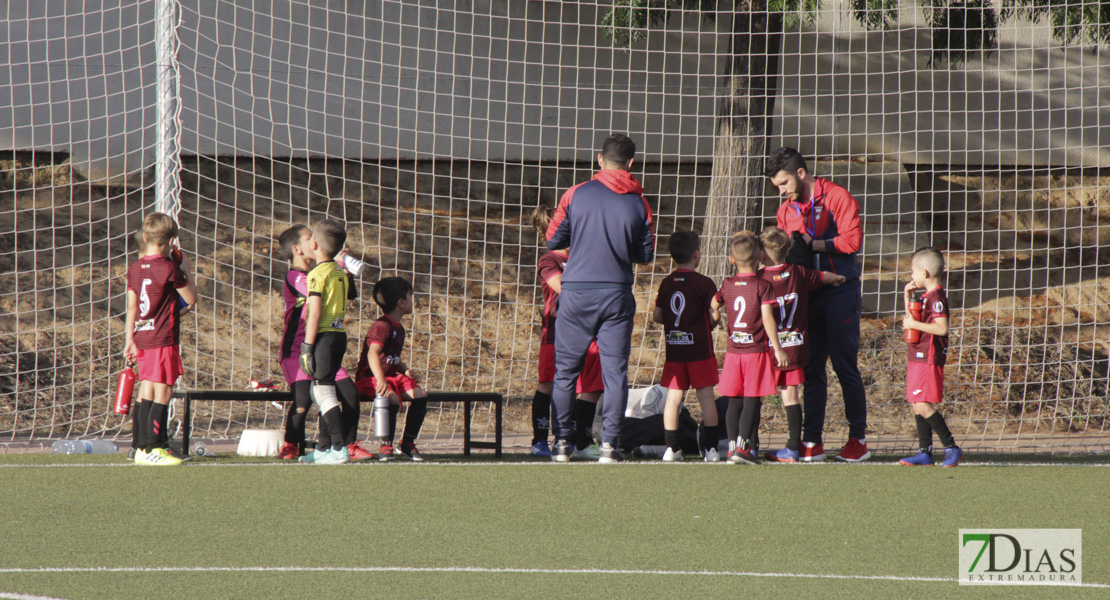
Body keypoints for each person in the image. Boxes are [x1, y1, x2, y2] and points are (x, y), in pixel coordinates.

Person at [545, 133, 655, 463]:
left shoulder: (575, 194)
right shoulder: (639, 201)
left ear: (598, 159)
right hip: (616, 294)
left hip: (576, 292)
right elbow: (646, 254)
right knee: (614, 374)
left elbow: (553, 239)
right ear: (632, 163)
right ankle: (610, 444)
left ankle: (562, 443)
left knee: (565, 373)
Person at [766, 146, 870, 462]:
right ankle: (812, 442)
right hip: (808, 297)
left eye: (784, 184)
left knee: (844, 365)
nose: (782, 192)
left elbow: (852, 241)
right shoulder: (786, 210)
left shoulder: (837, 196)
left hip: (841, 292)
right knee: (810, 369)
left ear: (801, 173)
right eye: (777, 188)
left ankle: (858, 440)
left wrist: (815, 245)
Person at [275, 225, 371, 461]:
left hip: (322, 345)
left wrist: (342, 269)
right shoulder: (296, 276)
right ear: (298, 249)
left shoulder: (324, 271)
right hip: (298, 349)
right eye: (310, 237)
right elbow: (315, 295)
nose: (314, 240)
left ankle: (343, 444)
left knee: (348, 393)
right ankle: (291, 443)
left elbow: (348, 292)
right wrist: (334, 265)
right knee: (304, 402)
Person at [758, 226, 844, 463]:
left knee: (756, 395)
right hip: (795, 345)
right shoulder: (799, 273)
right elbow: (822, 276)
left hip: (767, 348)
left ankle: (748, 444)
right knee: (791, 395)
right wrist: (836, 277)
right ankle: (793, 447)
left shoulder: (760, 279)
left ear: (761, 256)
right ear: (788, 251)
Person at [530, 206, 604, 460]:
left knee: (593, 385)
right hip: (557, 332)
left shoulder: (584, 256)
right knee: (549, 385)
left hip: (589, 330)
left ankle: (581, 441)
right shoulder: (549, 260)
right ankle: (540, 440)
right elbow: (562, 287)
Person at [124, 212, 197, 466]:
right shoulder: (169, 268)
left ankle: (140, 447)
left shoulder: (134, 268)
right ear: (171, 242)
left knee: (146, 389)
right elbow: (190, 299)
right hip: (162, 337)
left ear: (145, 237)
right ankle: (154, 448)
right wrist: (184, 267)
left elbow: (132, 308)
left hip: (141, 336)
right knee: (164, 391)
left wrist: (129, 339)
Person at [714, 232, 787, 465]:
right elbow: (768, 319)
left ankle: (733, 447)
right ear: (759, 257)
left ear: (731, 259)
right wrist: (778, 348)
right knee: (752, 399)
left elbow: (714, 303)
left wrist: (714, 316)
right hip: (754, 352)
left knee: (734, 400)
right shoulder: (763, 285)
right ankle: (744, 448)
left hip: (734, 353)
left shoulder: (726, 284)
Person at [652, 230, 721, 462]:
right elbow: (716, 315)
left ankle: (671, 449)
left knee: (673, 398)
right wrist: (706, 326)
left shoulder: (666, 282)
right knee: (706, 397)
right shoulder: (704, 283)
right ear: (696, 254)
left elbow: (658, 315)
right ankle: (711, 450)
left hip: (675, 351)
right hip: (700, 350)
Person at [297, 219, 356, 465]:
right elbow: (352, 294)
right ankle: (323, 448)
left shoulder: (316, 274)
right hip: (339, 335)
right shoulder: (339, 272)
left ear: (315, 244)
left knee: (322, 389)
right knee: (319, 389)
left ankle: (340, 447)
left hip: (322, 337)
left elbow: (315, 314)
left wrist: (307, 347)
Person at [898, 247, 964, 467]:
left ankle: (951, 447)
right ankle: (925, 452)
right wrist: (907, 297)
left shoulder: (936, 296)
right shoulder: (924, 295)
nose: (911, 276)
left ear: (924, 273)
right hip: (918, 354)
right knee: (917, 404)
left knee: (923, 405)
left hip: (928, 356)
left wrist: (914, 324)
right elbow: (911, 320)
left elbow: (942, 328)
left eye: (912, 272)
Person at [355, 276, 430, 462]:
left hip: (390, 376)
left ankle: (407, 443)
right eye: (411, 297)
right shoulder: (382, 326)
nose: (414, 301)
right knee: (392, 398)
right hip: (370, 377)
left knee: (420, 395)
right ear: (401, 302)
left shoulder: (399, 327)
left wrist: (404, 370)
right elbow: (373, 354)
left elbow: (391, 358)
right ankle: (385, 445)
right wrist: (380, 380)